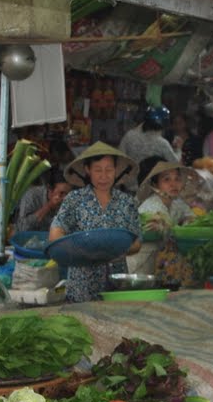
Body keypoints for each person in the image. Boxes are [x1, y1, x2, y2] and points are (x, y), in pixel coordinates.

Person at [49, 142, 142, 303]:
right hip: (82, 283)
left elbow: (137, 242)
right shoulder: (74, 199)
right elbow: (55, 234)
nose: (104, 176)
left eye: (109, 170)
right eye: (98, 170)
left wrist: (117, 251)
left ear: (116, 170)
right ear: (87, 170)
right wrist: (79, 251)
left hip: (117, 282)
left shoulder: (127, 202)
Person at [132, 160, 196, 281]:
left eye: (177, 179)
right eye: (167, 180)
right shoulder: (152, 207)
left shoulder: (177, 203)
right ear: (155, 185)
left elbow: (191, 217)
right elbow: (166, 232)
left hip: (159, 263)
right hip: (141, 264)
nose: (173, 184)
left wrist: (188, 221)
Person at [119, 105, 179, 177]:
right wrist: (178, 149)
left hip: (127, 184)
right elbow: (175, 164)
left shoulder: (129, 135)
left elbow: (119, 159)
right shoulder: (162, 143)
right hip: (149, 186)